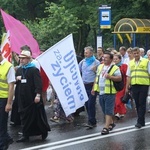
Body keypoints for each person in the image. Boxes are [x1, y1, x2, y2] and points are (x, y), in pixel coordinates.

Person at [16, 49, 50, 142]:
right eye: (20, 58)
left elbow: (38, 84)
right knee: (24, 116)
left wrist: (38, 95)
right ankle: (25, 134)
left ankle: (43, 132)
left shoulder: (34, 69)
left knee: (36, 116)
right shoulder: (20, 69)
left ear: (28, 59)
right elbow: (17, 82)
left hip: (32, 97)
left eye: (23, 58)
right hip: (22, 97)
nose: (21, 60)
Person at [92, 52, 122, 135]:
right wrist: (94, 88)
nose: (104, 59)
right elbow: (97, 77)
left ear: (111, 59)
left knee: (108, 110)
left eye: (106, 58)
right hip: (101, 92)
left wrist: (110, 77)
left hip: (110, 92)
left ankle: (106, 127)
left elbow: (119, 78)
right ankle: (111, 123)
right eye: (103, 57)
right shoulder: (100, 66)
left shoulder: (115, 68)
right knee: (104, 109)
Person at [126, 47, 150, 128]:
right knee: (137, 103)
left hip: (144, 85)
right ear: (132, 54)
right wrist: (127, 86)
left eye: (137, 53)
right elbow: (129, 76)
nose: (136, 55)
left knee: (142, 103)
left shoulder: (146, 61)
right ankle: (141, 121)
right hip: (134, 85)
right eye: (134, 53)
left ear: (140, 53)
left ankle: (140, 121)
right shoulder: (131, 63)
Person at [79, 46, 100, 128]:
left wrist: (95, 70)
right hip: (84, 85)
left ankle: (92, 121)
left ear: (91, 53)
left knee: (91, 104)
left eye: (86, 53)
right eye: (85, 52)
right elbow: (78, 71)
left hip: (92, 85)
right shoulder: (82, 62)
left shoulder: (96, 62)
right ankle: (90, 120)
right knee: (87, 104)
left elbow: (99, 75)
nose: (85, 54)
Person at [0, 49, 15, 149]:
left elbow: (11, 86)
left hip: (4, 99)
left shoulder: (8, 66)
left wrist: (9, 103)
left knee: (2, 122)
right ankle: (7, 138)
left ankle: (3, 143)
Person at [113, 54, 128, 119]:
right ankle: (120, 112)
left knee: (119, 100)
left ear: (119, 59)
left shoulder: (124, 66)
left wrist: (127, 86)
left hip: (122, 85)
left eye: (116, 59)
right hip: (114, 85)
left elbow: (127, 76)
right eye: (114, 59)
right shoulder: (112, 66)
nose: (115, 60)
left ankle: (119, 112)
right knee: (115, 100)